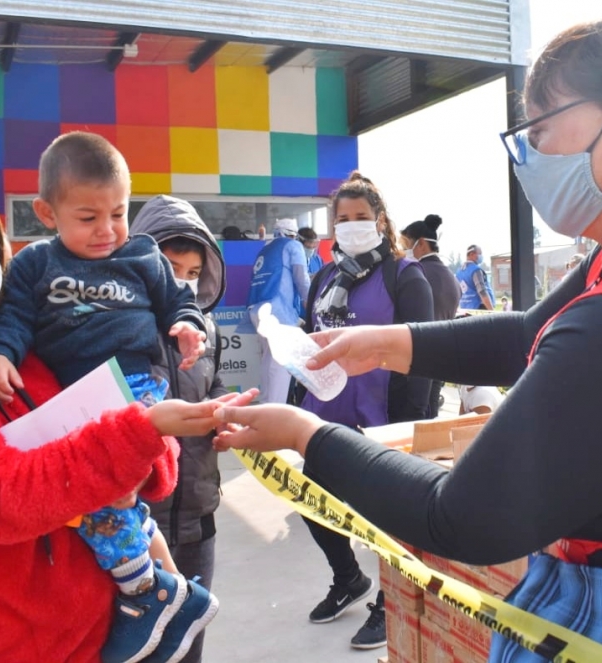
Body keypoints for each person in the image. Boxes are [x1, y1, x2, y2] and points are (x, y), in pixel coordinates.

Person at [211, 15, 602, 662]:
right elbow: (529, 333)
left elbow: (463, 517)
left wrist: (302, 434)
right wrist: (390, 341)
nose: (528, 155)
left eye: (539, 131)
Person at [0, 163, 253, 663]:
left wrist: (151, 442)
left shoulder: (21, 342)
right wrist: (137, 436)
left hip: (92, 635)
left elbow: (119, 445)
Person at [0, 132, 217, 663]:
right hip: (72, 399)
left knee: (98, 495)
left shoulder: (142, 254)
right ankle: (173, 587)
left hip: (135, 386)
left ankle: (143, 595)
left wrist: (185, 325)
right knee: (101, 499)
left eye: (118, 213)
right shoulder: (36, 265)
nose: (107, 230)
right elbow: (13, 318)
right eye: (88, 218)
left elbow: (178, 298)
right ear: (47, 212)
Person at [300, 171, 434, 650]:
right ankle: (348, 579)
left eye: (361, 218)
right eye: (343, 219)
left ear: (380, 221)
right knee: (314, 506)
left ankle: (388, 601)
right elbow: (308, 339)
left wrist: (409, 422)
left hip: (384, 420)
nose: (352, 226)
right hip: (325, 415)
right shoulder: (323, 277)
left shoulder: (403, 275)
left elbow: (425, 353)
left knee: (384, 518)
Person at [130, 194, 229, 663]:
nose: (182, 282)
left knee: (189, 640)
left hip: (198, 520)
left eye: (192, 272)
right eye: (170, 267)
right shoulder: (119, 328)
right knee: (138, 645)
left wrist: (225, 417)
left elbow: (215, 385)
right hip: (137, 525)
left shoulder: (205, 328)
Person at [240, 217, 311, 403]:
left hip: (257, 309)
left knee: (267, 359)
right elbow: (302, 279)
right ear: (293, 234)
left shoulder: (266, 249)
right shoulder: (293, 246)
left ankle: (266, 404)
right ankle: (276, 410)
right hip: (277, 310)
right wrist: (311, 302)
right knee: (281, 361)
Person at [400, 213, 461, 417]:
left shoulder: (415, 273)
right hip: (442, 357)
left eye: (406, 244)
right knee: (432, 417)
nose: (403, 251)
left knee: (412, 420)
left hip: (416, 360)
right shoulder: (450, 277)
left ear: (421, 244)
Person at [456, 243, 495, 310]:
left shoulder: (459, 272)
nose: (481, 256)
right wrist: (491, 311)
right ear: (472, 254)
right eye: (480, 253)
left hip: (465, 309)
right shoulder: (475, 270)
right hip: (479, 308)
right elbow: (482, 291)